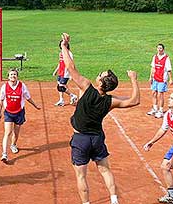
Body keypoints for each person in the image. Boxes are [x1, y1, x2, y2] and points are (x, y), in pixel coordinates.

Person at [60, 32, 140, 204]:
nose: (98, 74)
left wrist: (63, 46)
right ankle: (113, 200)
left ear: (101, 82)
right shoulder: (110, 101)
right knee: (105, 171)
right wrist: (133, 79)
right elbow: (135, 101)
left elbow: (70, 67)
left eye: (101, 74)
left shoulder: (86, 86)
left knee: (81, 176)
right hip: (97, 138)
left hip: (80, 139)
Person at [0, 68, 41, 163]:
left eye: (14, 74)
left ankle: (13, 145)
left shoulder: (22, 86)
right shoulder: (4, 87)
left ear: (17, 76)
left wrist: (36, 105)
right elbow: (1, 100)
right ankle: (4, 154)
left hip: (19, 113)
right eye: (11, 74)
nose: (13, 76)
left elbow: (28, 98)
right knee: (7, 132)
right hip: (8, 112)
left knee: (16, 133)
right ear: (8, 77)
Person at [147, 43, 173, 118]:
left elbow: (169, 69)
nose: (159, 49)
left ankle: (161, 111)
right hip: (155, 78)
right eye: (158, 48)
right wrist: (150, 77)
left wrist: (170, 79)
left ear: (163, 49)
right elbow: (152, 68)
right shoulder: (155, 57)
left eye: (160, 48)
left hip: (162, 79)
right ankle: (155, 108)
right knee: (153, 93)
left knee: (160, 94)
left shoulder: (166, 58)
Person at [52, 40, 78, 106]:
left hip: (65, 72)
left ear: (66, 45)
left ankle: (73, 95)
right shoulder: (61, 53)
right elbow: (60, 63)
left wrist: (71, 74)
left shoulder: (69, 54)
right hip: (60, 72)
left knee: (61, 86)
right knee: (59, 86)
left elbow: (71, 64)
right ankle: (61, 100)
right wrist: (56, 71)